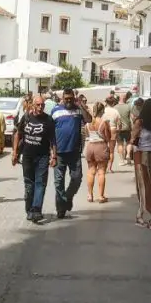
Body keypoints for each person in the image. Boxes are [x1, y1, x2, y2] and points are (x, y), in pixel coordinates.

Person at [12, 95, 56, 222]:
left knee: (40, 183)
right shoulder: (26, 117)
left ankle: (36, 209)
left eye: (42, 105)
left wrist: (54, 155)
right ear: (32, 105)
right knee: (29, 184)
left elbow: (53, 140)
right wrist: (14, 153)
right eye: (38, 105)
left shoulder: (48, 120)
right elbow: (18, 135)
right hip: (27, 156)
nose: (40, 107)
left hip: (42, 157)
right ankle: (29, 209)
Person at [52, 87, 93, 219]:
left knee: (76, 178)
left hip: (74, 152)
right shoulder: (55, 111)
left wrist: (80, 105)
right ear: (63, 98)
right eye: (66, 99)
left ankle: (67, 197)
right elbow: (50, 132)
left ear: (73, 98)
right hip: (59, 152)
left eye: (71, 99)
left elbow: (89, 120)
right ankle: (60, 208)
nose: (68, 101)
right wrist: (51, 152)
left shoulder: (78, 109)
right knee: (59, 182)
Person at [130, 98, 151, 230]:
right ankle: (150, 217)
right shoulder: (140, 122)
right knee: (145, 187)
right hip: (142, 155)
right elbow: (133, 140)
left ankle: (142, 215)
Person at [83, 102, 111, 203]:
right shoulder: (104, 123)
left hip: (90, 147)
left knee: (91, 171)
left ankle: (90, 195)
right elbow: (108, 137)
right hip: (101, 146)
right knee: (101, 172)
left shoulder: (88, 123)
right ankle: (101, 196)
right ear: (102, 110)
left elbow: (86, 135)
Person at [102, 97, 121, 173]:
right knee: (111, 151)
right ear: (113, 103)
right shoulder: (115, 111)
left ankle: (103, 167)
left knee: (103, 149)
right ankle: (109, 168)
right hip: (113, 129)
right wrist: (118, 130)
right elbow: (119, 123)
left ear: (106, 102)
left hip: (103, 129)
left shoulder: (103, 110)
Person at [115, 93, 133, 166]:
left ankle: (122, 160)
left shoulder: (115, 107)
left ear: (119, 98)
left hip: (119, 129)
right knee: (129, 142)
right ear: (125, 98)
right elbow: (131, 117)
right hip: (127, 128)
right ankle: (128, 155)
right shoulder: (128, 107)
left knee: (120, 144)